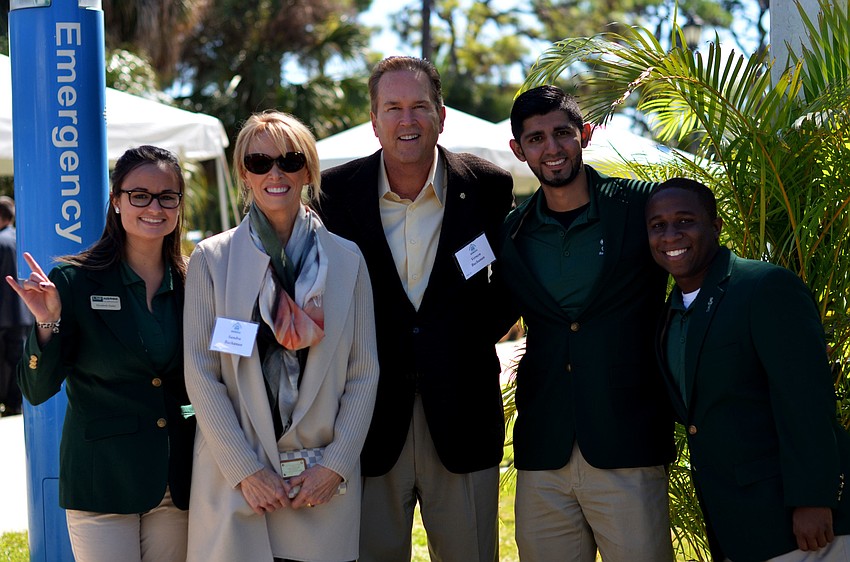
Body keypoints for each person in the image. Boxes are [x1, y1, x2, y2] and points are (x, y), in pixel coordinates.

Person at [317, 56, 515, 562]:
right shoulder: (334, 195)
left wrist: (461, 341)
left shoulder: (487, 187)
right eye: (394, 107)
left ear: (441, 116)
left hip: (464, 415)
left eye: (420, 106)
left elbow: (509, 286)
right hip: (367, 421)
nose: (408, 120)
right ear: (374, 119)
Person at [183, 110, 379, 562]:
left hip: (320, 487)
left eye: (290, 160)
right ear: (243, 173)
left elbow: (364, 372)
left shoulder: (348, 260)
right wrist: (245, 471)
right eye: (259, 162)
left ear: (308, 170)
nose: (275, 173)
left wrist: (334, 466)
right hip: (237, 488)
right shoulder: (211, 260)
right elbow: (201, 372)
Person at [499, 84, 675, 561]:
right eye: (535, 139)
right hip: (544, 450)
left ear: (586, 134)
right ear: (519, 150)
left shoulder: (642, 208)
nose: (551, 148)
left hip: (628, 443)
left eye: (562, 133)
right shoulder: (510, 233)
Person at [4, 146, 195, 561]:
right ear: (116, 200)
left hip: (174, 480)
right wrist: (47, 323)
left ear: (179, 205)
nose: (154, 206)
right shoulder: (73, 281)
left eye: (167, 196)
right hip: (101, 481)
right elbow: (36, 390)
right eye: (139, 195)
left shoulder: (195, 281)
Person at [646, 177, 850, 562]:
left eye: (685, 221)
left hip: (798, 525)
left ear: (716, 225)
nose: (670, 235)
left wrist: (813, 499)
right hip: (734, 524)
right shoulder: (667, 315)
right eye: (658, 226)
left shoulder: (765, 286)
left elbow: (806, 400)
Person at [0, 196, 31, 417]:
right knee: (19, 358)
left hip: (3, 313)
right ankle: (16, 403)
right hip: (25, 311)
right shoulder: (22, 238)